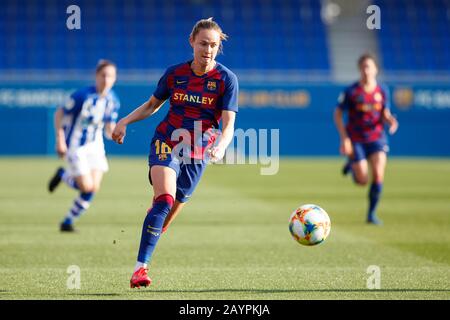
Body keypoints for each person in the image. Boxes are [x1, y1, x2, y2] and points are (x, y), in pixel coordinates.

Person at [112, 17, 238, 288]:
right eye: (203, 43)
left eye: (213, 45)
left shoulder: (226, 79)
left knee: (173, 205)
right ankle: (140, 269)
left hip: (198, 152)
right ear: (191, 42)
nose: (208, 50)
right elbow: (151, 105)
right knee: (166, 199)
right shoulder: (175, 74)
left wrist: (222, 144)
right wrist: (123, 122)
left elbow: (228, 123)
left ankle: (156, 220)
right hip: (166, 141)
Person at [48, 60, 120, 232]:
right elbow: (59, 113)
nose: (106, 79)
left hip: (95, 146)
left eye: (110, 76)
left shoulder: (113, 100)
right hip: (76, 146)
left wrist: (115, 134)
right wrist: (60, 139)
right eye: (103, 75)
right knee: (86, 187)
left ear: (115, 79)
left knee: (93, 188)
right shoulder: (83, 95)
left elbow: (109, 128)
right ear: (96, 76)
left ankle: (67, 222)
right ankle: (63, 174)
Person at [334, 53, 398, 225]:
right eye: (363, 67)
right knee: (362, 180)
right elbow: (338, 114)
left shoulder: (382, 90)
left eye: (369, 66)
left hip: (377, 138)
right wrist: (344, 139)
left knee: (378, 175)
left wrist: (390, 120)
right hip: (356, 139)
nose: (366, 70)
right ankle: (352, 165)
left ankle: (371, 214)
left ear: (376, 69)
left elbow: (384, 113)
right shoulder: (352, 91)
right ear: (359, 69)